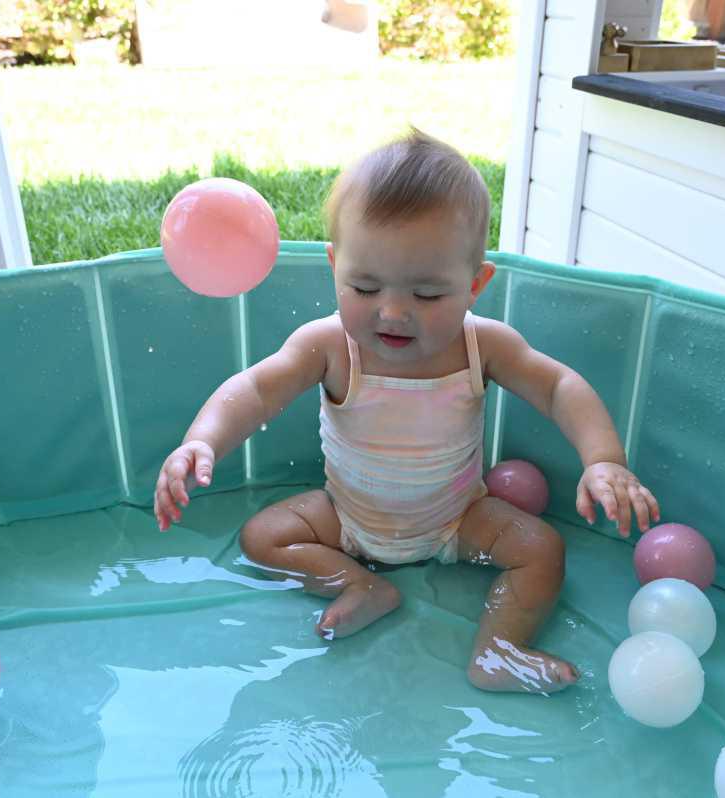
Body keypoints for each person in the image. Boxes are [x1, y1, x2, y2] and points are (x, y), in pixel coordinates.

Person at [153, 129, 660, 694]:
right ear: (333, 267)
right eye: (365, 287)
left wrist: (603, 459)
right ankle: (361, 585)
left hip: (458, 520)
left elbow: (558, 385)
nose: (392, 312)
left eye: (427, 296)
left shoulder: (482, 346)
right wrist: (202, 441)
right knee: (262, 536)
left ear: (475, 284)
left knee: (541, 550)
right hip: (346, 518)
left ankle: (499, 648)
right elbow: (254, 390)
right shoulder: (327, 345)